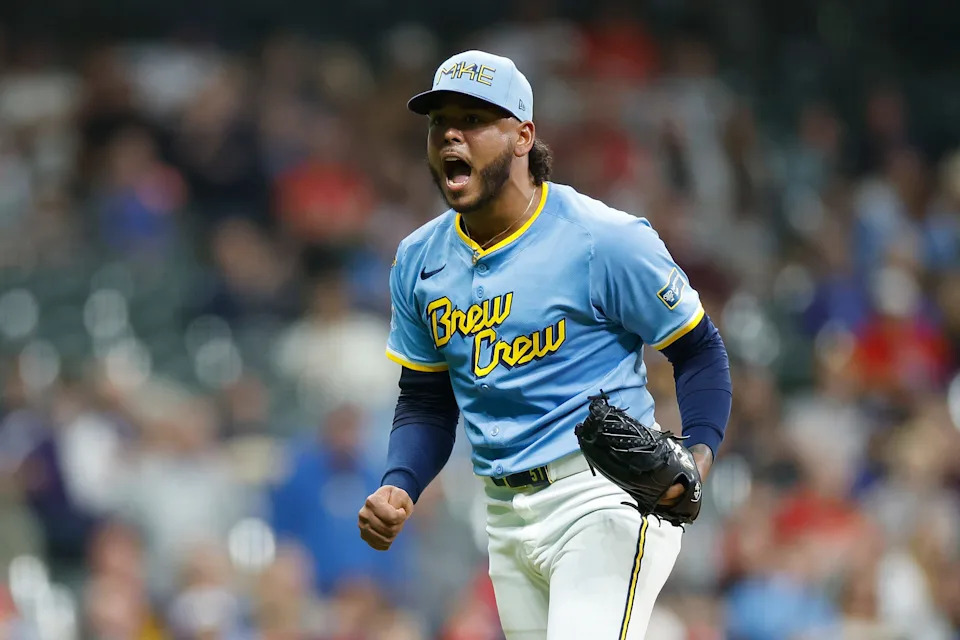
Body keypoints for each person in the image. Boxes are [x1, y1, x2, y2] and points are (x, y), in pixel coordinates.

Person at [358, 50, 732, 639]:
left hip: (606, 495)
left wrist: (699, 455)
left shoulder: (602, 240)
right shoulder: (418, 261)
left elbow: (699, 350)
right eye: (439, 121)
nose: (452, 133)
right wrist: (399, 483)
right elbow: (427, 399)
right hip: (505, 516)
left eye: (475, 119)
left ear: (523, 136)